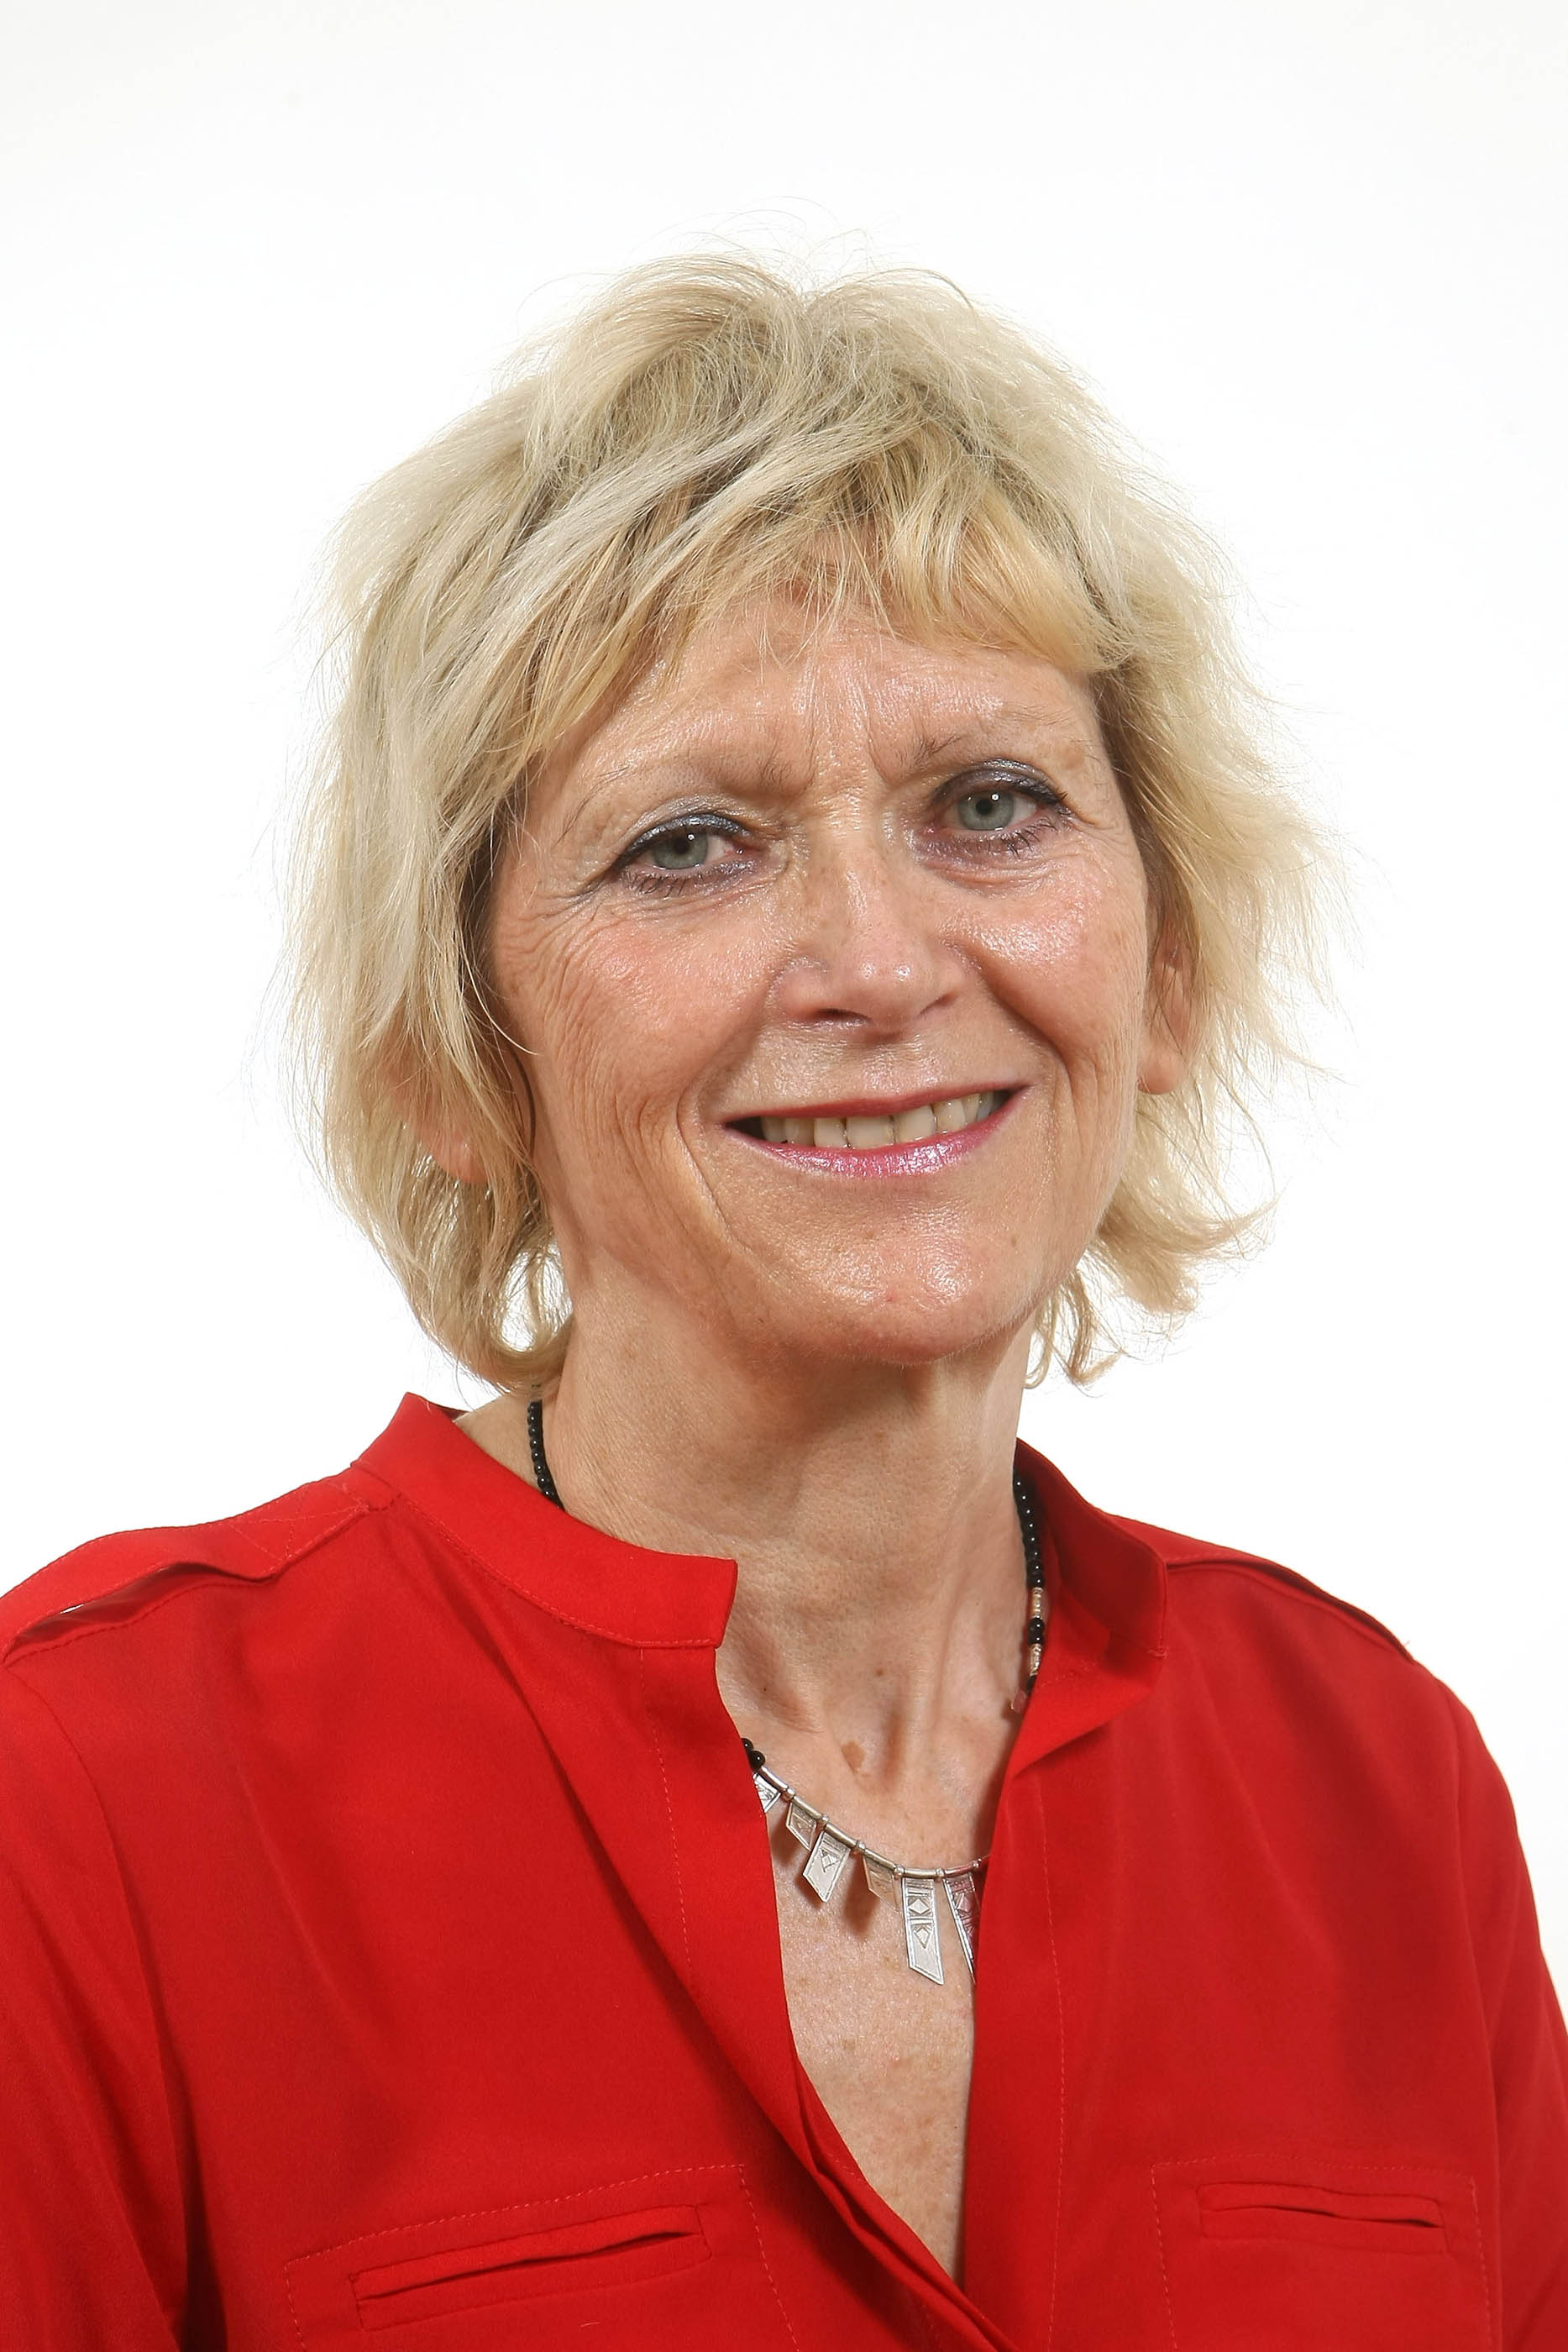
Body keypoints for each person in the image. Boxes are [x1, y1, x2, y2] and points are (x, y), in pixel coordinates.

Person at [3, 255, 1563, 2352]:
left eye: (989, 804)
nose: (881, 963)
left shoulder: (1378, 1784)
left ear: (1165, 966)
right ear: (452, 1059)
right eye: (690, 844)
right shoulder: (87, 1789)